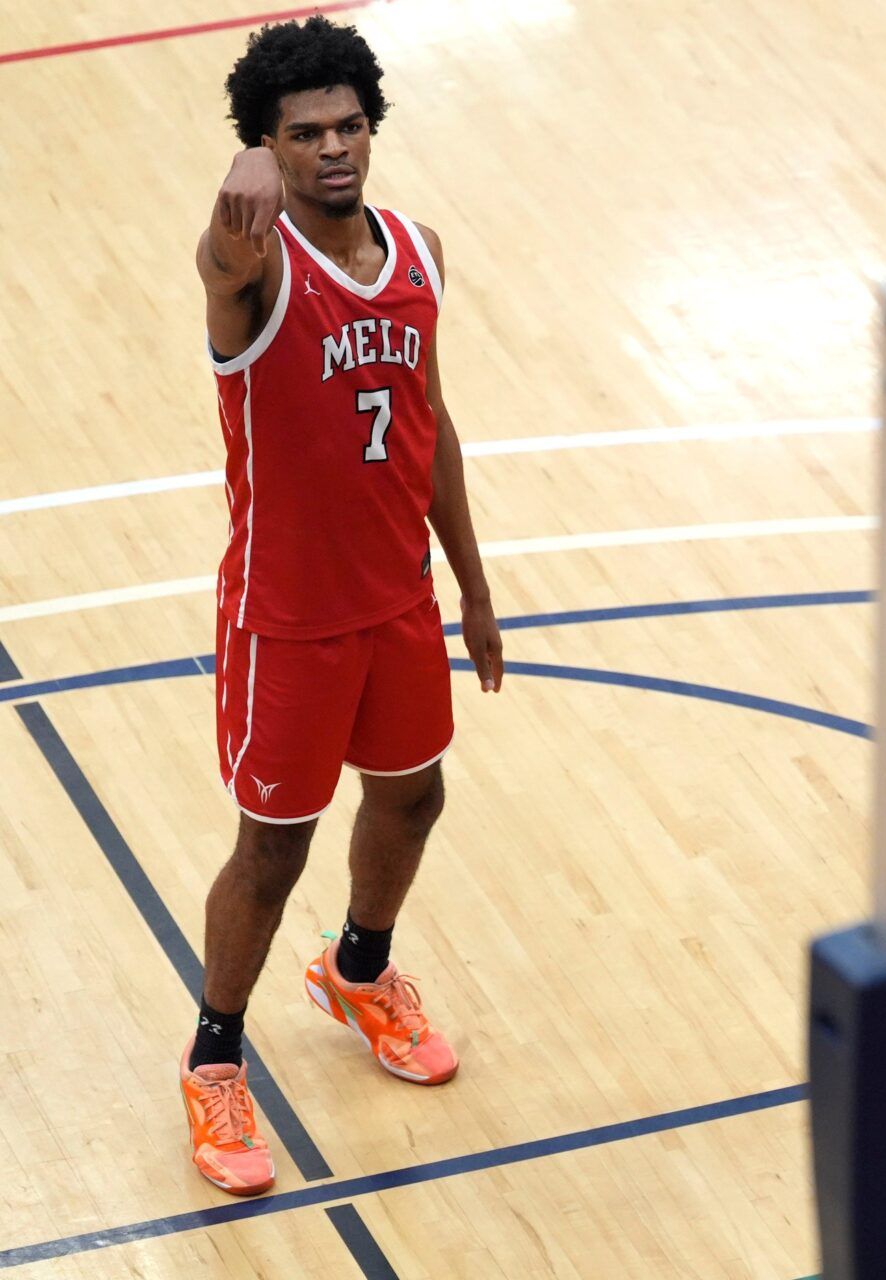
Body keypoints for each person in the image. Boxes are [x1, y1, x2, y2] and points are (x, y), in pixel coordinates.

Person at [180, 15, 503, 1196]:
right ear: (267, 142)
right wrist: (239, 181)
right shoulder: (255, 264)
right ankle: (215, 1057)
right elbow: (219, 261)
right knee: (271, 849)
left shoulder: (416, 252)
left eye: (348, 125)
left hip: (400, 603)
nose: (332, 148)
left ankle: (358, 969)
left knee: (414, 798)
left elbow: (429, 425)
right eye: (303, 132)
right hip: (287, 620)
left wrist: (471, 582)